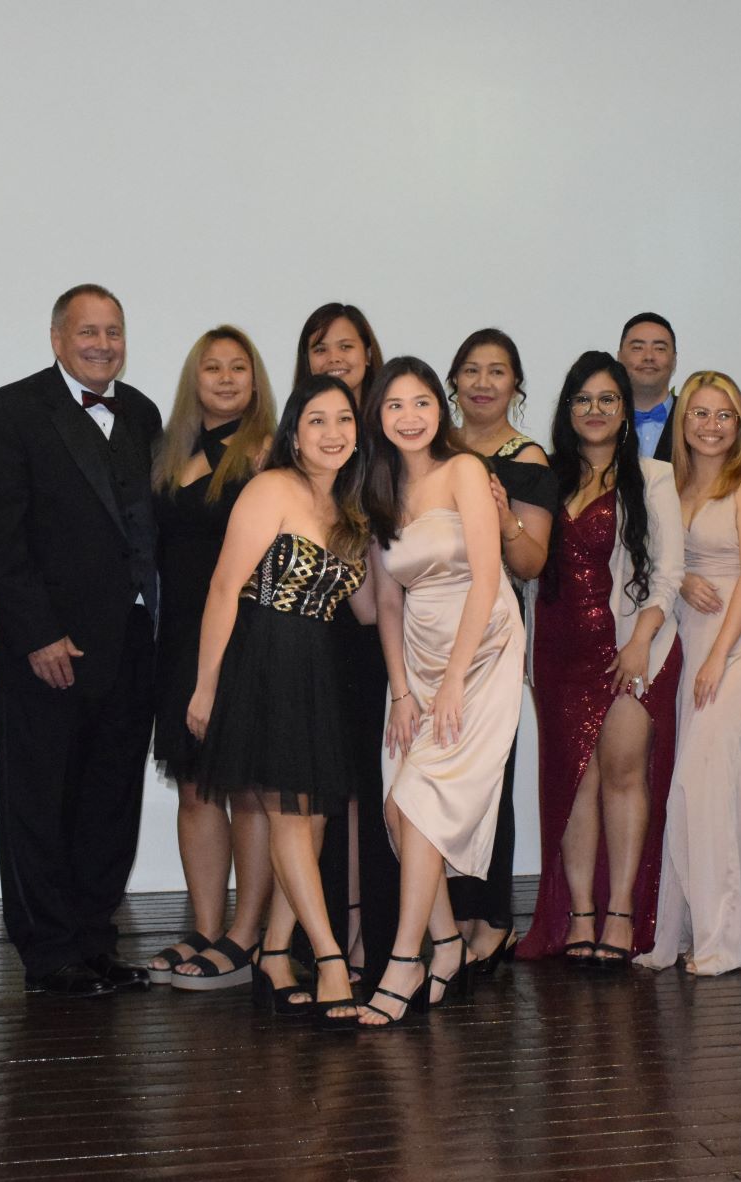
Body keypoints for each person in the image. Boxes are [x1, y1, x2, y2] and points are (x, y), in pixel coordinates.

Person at [0, 284, 161, 998]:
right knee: (41, 802)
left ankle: (94, 940)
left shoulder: (142, 412)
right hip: (48, 648)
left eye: (113, 332)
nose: (102, 344)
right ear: (57, 339)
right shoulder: (10, 411)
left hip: (131, 642)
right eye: (88, 331)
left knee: (110, 801)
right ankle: (49, 953)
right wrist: (38, 634)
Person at [189, 374, 373, 1030]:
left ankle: (273, 955)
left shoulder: (354, 512)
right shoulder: (271, 488)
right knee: (291, 817)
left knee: (312, 820)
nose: (333, 432)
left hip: (317, 670)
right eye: (317, 420)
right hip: (262, 661)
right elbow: (222, 588)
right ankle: (328, 960)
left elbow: (369, 609)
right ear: (294, 433)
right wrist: (206, 686)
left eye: (344, 419)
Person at [355, 357, 523, 1026]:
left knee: (417, 802)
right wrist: (402, 691)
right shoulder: (378, 490)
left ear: (440, 407)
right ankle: (448, 943)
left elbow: (487, 576)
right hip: (418, 658)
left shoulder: (464, 472)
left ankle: (407, 958)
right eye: (394, 405)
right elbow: (386, 603)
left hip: (481, 649)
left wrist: (453, 680)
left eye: (421, 402)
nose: (409, 416)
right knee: (399, 810)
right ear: (378, 417)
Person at [517, 352, 684, 968]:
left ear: (624, 410)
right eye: (582, 399)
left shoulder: (654, 477)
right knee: (575, 783)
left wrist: (640, 641)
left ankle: (621, 912)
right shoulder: (547, 477)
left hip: (628, 651)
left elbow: (668, 574)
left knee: (622, 774)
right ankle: (580, 914)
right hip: (557, 653)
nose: (594, 410)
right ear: (568, 409)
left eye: (607, 399)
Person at [147, 326, 276, 990]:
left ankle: (245, 936)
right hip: (178, 639)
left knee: (247, 789)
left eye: (238, 367)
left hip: (243, 638)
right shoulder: (169, 452)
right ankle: (205, 928)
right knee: (195, 786)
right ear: (193, 380)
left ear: (255, 380)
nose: (225, 379)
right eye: (212, 368)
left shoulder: (268, 453)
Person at [636, 371, 741, 976]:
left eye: (725, 415)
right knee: (686, 788)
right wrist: (684, 576)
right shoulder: (668, 484)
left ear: (739, 425)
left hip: (735, 646)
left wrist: (719, 655)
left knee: (711, 784)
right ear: (682, 420)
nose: (712, 425)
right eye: (700, 413)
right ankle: (679, 933)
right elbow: (657, 560)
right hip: (684, 642)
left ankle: (726, 940)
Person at [443, 328, 557, 972]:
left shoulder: (529, 459)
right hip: (429, 628)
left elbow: (532, 561)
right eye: (470, 369)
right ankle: (446, 916)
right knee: (439, 776)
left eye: (497, 371)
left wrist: (504, 513)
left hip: (490, 635)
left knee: (489, 776)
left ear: (516, 384)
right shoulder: (430, 447)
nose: (482, 382)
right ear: (452, 381)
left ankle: (490, 920)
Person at [293, 302, 397, 989]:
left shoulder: (389, 436)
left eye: (346, 346)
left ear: (368, 354)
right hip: (311, 636)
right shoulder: (295, 443)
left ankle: (369, 936)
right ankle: (325, 937)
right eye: (320, 347)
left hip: (375, 633)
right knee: (320, 796)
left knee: (368, 787)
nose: (334, 358)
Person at [619, 313, 679, 461]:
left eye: (660, 348)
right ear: (619, 358)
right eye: (637, 348)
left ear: (674, 361)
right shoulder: (602, 419)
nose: (649, 357)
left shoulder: (694, 418)